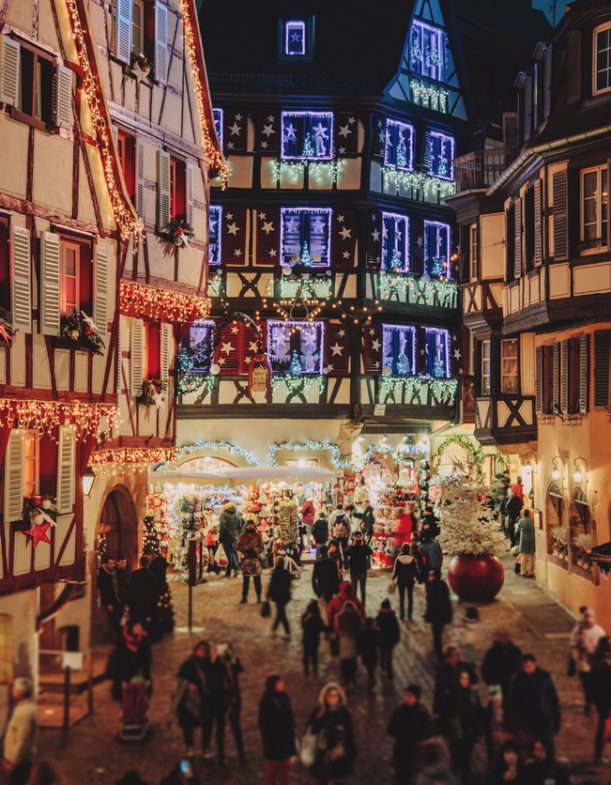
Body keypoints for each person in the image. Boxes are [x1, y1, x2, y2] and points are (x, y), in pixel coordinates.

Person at [505, 654, 560, 755]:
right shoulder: (517, 680)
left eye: (529, 666)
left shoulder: (544, 677)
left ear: (534, 664)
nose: (527, 669)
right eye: (525, 667)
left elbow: (553, 698)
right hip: (526, 722)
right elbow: (511, 701)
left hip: (544, 720)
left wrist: (556, 719)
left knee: (547, 748)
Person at [305, 683, 356, 784]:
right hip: (321, 750)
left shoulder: (343, 712)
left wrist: (347, 749)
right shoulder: (319, 711)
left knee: (332, 777)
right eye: (330, 695)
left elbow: (349, 732)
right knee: (320, 777)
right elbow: (311, 729)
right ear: (325, 697)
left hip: (337, 750)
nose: (332, 698)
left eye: (335, 695)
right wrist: (317, 719)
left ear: (339, 697)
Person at [441, 668, 482, 783]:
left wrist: (477, 729)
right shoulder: (450, 693)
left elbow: (478, 710)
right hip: (456, 732)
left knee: (467, 759)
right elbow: (445, 713)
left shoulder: (472, 693)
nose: (465, 681)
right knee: (456, 759)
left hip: (469, 731)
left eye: (467, 678)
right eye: (462, 678)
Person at [173, 641, 214, 757]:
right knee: (188, 725)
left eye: (204, 650)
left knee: (207, 724)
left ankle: (206, 746)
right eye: (199, 650)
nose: (201, 652)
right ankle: (189, 746)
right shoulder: (188, 665)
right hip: (189, 701)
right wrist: (188, 685)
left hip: (205, 700)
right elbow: (179, 681)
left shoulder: (210, 665)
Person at [387, 684, 433, 785]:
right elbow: (390, 728)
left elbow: (427, 732)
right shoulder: (399, 711)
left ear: (416, 698)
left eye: (411, 696)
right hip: (401, 751)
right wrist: (400, 734)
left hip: (416, 752)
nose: (407, 698)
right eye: (406, 695)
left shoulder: (422, 713)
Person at [208, 644, 245, 765]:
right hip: (219, 700)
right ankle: (221, 755)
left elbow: (240, 669)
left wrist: (233, 659)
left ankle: (241, 753)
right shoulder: (215, 665)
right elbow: (212, 678)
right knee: (220, 727)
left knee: (236, 727)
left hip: (234, 699)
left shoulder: (233, 662)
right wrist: (215, 659)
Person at [258, 675, 296, 785]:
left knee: (286, 764)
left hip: (286, 736)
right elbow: (263, 721)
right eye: (279, 683)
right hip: (273, 738)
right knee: (273, 765)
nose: (282, 684)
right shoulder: (266, 700)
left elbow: (289, 714)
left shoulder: (285, 696)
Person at [568, 607, 606, 716]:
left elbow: (603, 647)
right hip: (583, 663)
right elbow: (573, 646)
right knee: (587, 684)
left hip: (596, 663)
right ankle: (588, 702)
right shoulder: (577, 631)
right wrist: (577, 659)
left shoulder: (599, 631)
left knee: (596, 683)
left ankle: (595, 702)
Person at [1, 677, 37, 785]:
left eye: (14, 689)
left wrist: (13, 763)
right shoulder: (25, 707)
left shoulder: (24, 713)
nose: (12, 690)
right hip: (22, 760)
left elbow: (22, 739)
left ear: (20, 692)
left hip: (19, 762)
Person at [112, 620, 152, 701]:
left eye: (140, 627)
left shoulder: (144, 638)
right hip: (125, 670)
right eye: (136, 627)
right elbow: (120, 658)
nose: (139, 629)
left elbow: (147, 656)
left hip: (139, 670)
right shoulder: (123, 639)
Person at [433, 647, 478, 717]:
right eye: (455, 655)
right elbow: (439, 689)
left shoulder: (464, 666)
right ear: (449, 657)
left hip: (465, 703)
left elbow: (474, 680)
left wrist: (470, 671)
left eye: (458, 655)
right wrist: (437, 708)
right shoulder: (443, 671)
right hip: (451, 706)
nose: (457, 658)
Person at [481, 628, 522, 701]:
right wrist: (491, 684)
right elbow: (485, 670)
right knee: (497, 708)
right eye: (501, 635)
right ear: (497, 637)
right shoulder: (491, 652)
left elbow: (520, 666)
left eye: (506, 635)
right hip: (496, 686)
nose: (504, 638)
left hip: (512, 686)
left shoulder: (515, 651)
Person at [590, 635, 611, 764]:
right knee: (604, 726)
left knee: (603, 726)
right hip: (606, 700)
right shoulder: (605, 665)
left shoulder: (597, 661)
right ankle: (598, 756)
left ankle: (598, 755)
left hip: (601, 700)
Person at [424, 570, 453, 660]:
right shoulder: (443, 584)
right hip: (444, 614)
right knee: (439, 632)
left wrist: (427, 615)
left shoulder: (431, 586)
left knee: (437, 635)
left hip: (436, 615)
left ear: (432, 576)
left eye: (429, 575)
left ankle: (440, 656)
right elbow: (447, 600)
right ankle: (438, 649)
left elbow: (431, 603)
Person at [334, 601, 362, 688]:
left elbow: (337, 628)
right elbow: (359, 627)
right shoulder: (356, 616)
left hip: (343, 640)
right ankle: (352, 680)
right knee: (352, 661)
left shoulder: (339, 616)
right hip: (352, 640)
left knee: (344, 661)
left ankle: (345, 680)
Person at [126, 556, 157, 629]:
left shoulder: (135, 574)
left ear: (140, 563)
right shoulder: (152, 575)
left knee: (136, 619)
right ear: (149, 563)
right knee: (145, 619)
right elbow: (154, 589)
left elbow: (130, 588)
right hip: (147, 601)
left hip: (136, 600)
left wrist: (128, 601)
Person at [237, 520, 264, 603]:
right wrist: (246, 548)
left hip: (255, 559)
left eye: (252, 525)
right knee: (246, 580)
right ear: (246, 526)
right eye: (249, 525)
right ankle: (244, 597)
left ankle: (259, 596)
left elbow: (262, 547)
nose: (251, 527)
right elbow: (238, 546)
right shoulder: (242, 536)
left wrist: (256, 549)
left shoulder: (258, 536)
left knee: (257, 580)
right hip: (247, 559)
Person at [392, 542, 419, 621]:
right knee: (410, 598)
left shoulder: (398, 558)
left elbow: (396, 571)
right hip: (410, 580)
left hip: (401, 581)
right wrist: (419, 579)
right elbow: (415, 571)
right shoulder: (412, 558)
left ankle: (402, 615)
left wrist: (392, 579)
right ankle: (409, 615)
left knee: (401, 598)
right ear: (409, 549)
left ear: (402, 549)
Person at [267, 556, 293, 639]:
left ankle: (286, 631)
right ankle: (274, 629)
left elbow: (272, 585)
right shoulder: (286, 573)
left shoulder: (275, 573)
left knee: (281, 613)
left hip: (278, 596)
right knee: (280, 612)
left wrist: (268, 594)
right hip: (285, 596)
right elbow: (289, 585)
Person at [345, 532, 372, 607]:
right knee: (354, 589)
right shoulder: (351, 545)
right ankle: (354, 604)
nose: (358, 540)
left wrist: (364, 545)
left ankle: (362, 605)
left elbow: (370, 552)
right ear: (354, 538)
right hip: (353, 570)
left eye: (359, 538)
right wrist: (352, 546)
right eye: (356, 538)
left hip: (362, 570)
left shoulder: (363, 546)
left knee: (362, 589)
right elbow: (346, 553)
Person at [312, 545, 341, 612]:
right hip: (329, 589)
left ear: (320, 553)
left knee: (322, 610)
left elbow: (313, 578)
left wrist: (315, 590)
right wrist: (336, 590)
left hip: (320, 588)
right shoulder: (333, 563)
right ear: (327, 551)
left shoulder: (317, 564)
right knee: (330, 608)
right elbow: (336, 578)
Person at [376, 599, 400, 678]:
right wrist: (396, 638)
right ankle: (389, 671)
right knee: (389, 655)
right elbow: (396, 629)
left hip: (381, 639)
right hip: (390, 639)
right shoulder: (392, 617)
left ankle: (382, 667)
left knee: (382, 654)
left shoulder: (379, 617)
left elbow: (375, 629)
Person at [96, 554, 122, 628]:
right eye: (111, 563)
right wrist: (108, 603)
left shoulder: (114, 571)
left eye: (114, 563)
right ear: (106, 564)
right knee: (112, 619)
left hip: (116, 597)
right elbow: (104, 589)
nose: (113, 565)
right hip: (109, 600)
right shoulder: (103, 574)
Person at [301, 600, 325, 677]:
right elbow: (321, 628)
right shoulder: (317, 617)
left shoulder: (305, 615)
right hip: (314, 639)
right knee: (314, 655)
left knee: (306, 655)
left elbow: (303, 624)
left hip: (307, 639)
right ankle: (314, 670)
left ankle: (306, 670)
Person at [219, 501, 241, 577]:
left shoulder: (224, 515)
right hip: (235, 536)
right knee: (233, 552)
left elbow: (223, 527)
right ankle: (231, 571)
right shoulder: (236, 515)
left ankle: (235, 569)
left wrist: (221, 538)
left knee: (229, 554)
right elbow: (239, 526)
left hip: (227, 537)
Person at [359, 617, 380, 693]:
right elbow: (378, 642)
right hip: (372, 653)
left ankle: (371, 680)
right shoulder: (374, 632)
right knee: (371, 669)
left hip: (365, 654)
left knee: (369, 669)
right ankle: (371, 682)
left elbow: (360, 643)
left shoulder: (362, 632)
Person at [516, 510, 535, 577]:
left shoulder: (520, 520)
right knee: (530, 556)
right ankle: (530, 572)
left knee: (523, 556)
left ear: (523, 514)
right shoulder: (532, 520)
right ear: (529, 514)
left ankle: (523, 572)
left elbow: (518, 530)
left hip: (523, 539)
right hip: (531, 539)